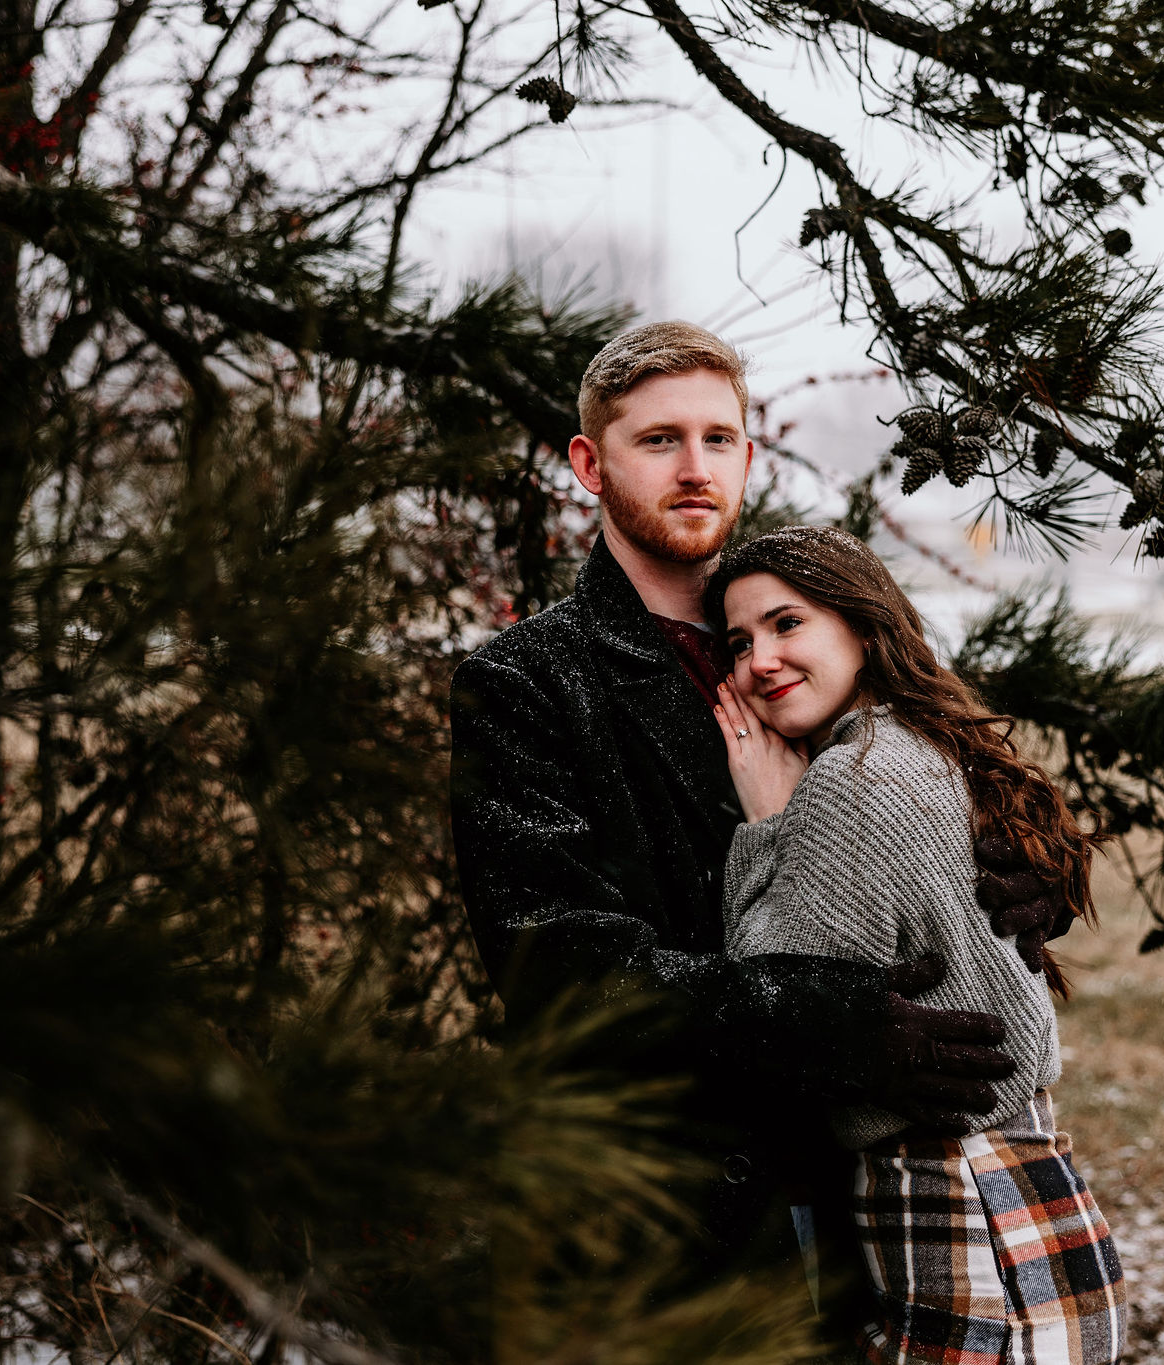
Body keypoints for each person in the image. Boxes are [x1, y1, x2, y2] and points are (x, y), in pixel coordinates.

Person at [447, 321, 1082, 1317]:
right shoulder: (525, 683)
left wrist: (1015, 869)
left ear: (746, 457)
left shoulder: (798, 634)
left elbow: (915, 786)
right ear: (589, 463)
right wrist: (821, 1018)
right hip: (659, 1226)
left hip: (863, 1213)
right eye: (657, 440)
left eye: (716, 438)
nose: (693, 466)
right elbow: (556, 968)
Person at [704, 525, 1125, 1365]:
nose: (759, 660)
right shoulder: (934, 746)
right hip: (1034, 1203)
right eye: (740, 641)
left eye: (788, 624)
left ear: (861, 625)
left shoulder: (848, 781)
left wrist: (765, 826)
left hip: (960, 1224)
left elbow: (777, 992)